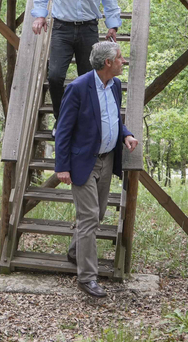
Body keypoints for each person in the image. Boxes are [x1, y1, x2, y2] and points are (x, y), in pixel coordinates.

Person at [54, 41, 138, 298]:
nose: (124, 61)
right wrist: (62, 167)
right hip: (82, 163)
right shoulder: (78, 88)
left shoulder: (114, 85)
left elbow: (113, 118)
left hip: (107, 159)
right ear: (108, 63)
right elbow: (64, 130)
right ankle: (87, 277)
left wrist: (126, 134)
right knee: (90, 217)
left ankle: (75, 250)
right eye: (120, 58)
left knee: (97, 213)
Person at [31, 0, 121, 119]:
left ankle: (85, 119)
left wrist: (113, 26)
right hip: (62, 29)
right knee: (55, 77)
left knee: (89, 78)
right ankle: (61, 118)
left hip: (88, 29)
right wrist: (40, 15)